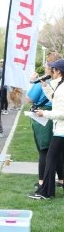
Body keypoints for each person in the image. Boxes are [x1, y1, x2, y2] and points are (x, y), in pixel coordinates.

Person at [27, 53, 64, 192]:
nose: (47, 68)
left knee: (46, 153)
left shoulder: (60, 85)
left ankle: (45, 187)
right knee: (54, 154)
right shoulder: (56, 84)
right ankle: (54, 184)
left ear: (56, 70)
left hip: (54, 123)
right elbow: (55, 98)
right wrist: (45, 87)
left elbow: (30, 98)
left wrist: (44, 113)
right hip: (56, 124)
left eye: (48, 66)